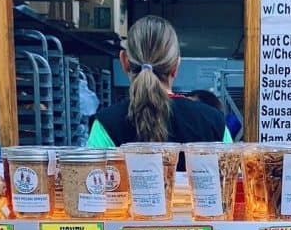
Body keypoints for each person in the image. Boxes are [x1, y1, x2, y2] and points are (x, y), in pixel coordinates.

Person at [86, 16, 231, 147]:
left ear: (124, 61)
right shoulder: (214, 122)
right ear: (175, 66)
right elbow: (235, 168)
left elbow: (90, 168)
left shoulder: (106, 125)